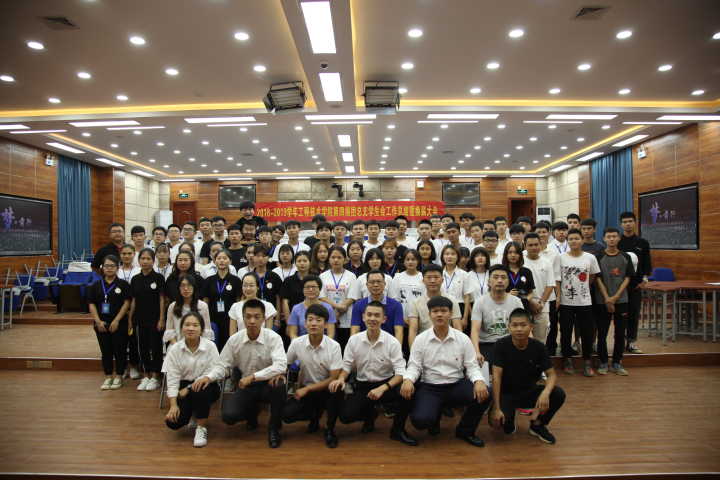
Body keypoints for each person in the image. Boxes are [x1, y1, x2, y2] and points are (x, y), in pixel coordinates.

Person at [401, 296, 491, 447]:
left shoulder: (462, 338)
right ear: (429, 314)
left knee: (485, 393)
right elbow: (414, 366)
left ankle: (465, 431)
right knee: (421, 421)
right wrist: (408, 379)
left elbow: (471, 366)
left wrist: (479, 381)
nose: (439, 314)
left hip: (456, 384)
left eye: (443, 311)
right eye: (435, 311)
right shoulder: (421, 339)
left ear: (450, 313)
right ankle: (434, 416)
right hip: (430, 387)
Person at [330, 301, 417, 446]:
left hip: (387, 384)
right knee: (345, 417)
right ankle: (369, 415)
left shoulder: (392, 342)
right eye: (369, 315)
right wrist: (341, 379)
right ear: (363, 317)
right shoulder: (354, 340)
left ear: (384, 319)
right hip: (363, 385)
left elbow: (401, 373)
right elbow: (346, 366)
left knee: (407, 390)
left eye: (377, 315)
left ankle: (398, 430)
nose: (372, 318)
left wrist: (383, 388)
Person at [209, 299, 287, 448]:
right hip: (246, 385)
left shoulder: (273, 337)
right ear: (243, 318)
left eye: (257, 317)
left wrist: (253, 377)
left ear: (263, 319)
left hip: (268, 382)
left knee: (279, 385)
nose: (252, 321)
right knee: (229, 416)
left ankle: (274, 428)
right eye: (248, 317)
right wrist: (208, 377)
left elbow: (281, 365)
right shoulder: (235, 340)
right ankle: (252, 414)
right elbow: (222, 365)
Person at [490, 308, 566, 444]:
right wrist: (496, 408)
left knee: (558, 394)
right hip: (506, 393)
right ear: (509, 327)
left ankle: (537, 425)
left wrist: (545, 393)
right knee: (499, 425)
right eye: (515, 325)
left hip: (530, 391)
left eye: (523, 325)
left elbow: (552, 375)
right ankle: (509, 418)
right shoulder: (500, 345)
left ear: (531, 327)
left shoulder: (539, 347)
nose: (519, 329)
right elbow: (496, 377)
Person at [283, 304, 344, 448]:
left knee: (337, 388)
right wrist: (279, 375)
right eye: (310, 320)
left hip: (326, 389)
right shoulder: (297, 343)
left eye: (318, 320)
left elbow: (333, 377)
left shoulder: (334, 346)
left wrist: (308, 389)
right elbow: (285, 364)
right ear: (305, 323)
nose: (314, 323)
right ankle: (314, 417)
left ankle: (330, 429)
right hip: (306, 389)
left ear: (326, 324)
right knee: (286, 415)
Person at [163, 312, 221, 448]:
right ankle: (194, 413)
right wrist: (173, 405)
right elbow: (172, 379)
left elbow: (217, 371)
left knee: (199, 390)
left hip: (207, 385)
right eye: (187, 325)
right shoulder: (175, 349)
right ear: (181, 328)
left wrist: (189, 388)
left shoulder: (210, 346)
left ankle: (201, 428)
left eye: (195, 325)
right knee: (173, 422)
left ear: (201, 329)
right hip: (183, 386)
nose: (191, 328)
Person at [557, 228, 601, 376]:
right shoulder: (561, 257)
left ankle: (587, 362)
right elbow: (558, 279)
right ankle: (567, 360)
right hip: (566, 302)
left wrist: (584, 287)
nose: (573, 241)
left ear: (582, 240)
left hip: (585, 302)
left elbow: (593, 276)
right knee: (565, 332)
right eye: (571, 239)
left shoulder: (590, 258)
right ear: (567, 241)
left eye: (576, 238)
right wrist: (558, 297)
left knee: (587, 333)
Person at [87, 254, 132, 390]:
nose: (109, 268)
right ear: (102, 267)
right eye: (106, 266)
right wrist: (98, 321)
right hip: (101, 324)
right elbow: (91, 304)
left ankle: (119, 376)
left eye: (112, 266)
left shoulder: (123, 284)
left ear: (117, 267)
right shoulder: (95, 286)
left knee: (120, 350)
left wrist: (117, 320)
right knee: (105, 351)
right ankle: (108, 376)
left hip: (119, 323)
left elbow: (127, 303)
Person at [594, 227, 634, 375]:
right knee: (602, 333)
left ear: (619, 238)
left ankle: (617, 362)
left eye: (614, 236)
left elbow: (627, 278)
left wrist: (616, 297)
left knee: (620, 333)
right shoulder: (598, 257)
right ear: (604, 238)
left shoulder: (626, 256)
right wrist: (607, 298)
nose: (611, 239)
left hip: (621, 300)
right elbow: (597, 278)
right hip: (602, 301)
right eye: (608, 236)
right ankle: (603, 362)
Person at [470, 265, 524, 366]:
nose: (499, 280)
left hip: (510, 343)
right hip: (486, 344)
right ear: (489, 282)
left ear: (508, 282)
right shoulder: (480, 302)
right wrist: (476, 352)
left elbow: (523, 326)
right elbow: (475, 330)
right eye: (495, 277)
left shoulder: (516, 301)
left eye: (503, 277)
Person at [129, 248, 166, 391]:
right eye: (142, 258)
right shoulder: (135, 279)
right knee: (142, 348)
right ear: (138, 261)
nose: (145, 261)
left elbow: (162, 299)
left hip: (155, 319)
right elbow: (133, 301)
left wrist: (161, 318)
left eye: (148, 258)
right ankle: (146, 375)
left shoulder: (159, 278)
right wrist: (130, 319)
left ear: (153, 260)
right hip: (139, 319)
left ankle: (156, 376)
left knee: (155, 348)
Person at [618, 211, 652, 354]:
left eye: (630, 221)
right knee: (620, 315)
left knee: (633, 314)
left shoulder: (642, 243)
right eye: (625, 222)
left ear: (635, 222)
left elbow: (647, 264)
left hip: (635, 285)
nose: (628, 224)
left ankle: (631, 342)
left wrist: (644, 280)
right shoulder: (617, 241)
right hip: (619, 286)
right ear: (621, 224)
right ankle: (619, 342)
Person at [407, 264, 461, 347]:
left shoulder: (452, 300)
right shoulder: (415, 303)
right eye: (429, 277)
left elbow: (457, 327)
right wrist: (413, 351)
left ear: (442, 280)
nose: (432, 281)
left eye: (436, 277)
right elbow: (413, 330)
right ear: (423, 280)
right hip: (424, 344)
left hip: (448, 343)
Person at [202, 249, 242, 351]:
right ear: (214, 261)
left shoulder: (236, 281)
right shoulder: (209, 280)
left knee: (228, 347)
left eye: (225, 258)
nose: (222, 261)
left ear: (230, 261)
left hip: (230, 319)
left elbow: (238, 302)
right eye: (219, 258)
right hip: (212, 319)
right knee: (213, 347)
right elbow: (205, 302)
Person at [533, 222, 563, 356]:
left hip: (549, 296)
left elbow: (556, 277)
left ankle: (550, 351)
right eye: (538, 232)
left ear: (549, 233)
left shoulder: (554, 254)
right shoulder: (525, 253)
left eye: (544, 232)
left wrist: (558, 296)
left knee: (551, 325)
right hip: (532, 296)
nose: (541, 234)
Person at [350, 270, 404, 344]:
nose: (375, 285)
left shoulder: (396, 305)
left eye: (379, 282)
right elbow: (355, 330)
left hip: (388, 345)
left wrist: (397, 348)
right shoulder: (358, 305)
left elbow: (398, 331)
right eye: (372, 282)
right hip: (364, 344)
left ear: (385, 284)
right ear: (367, 285)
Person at [319, 247, 356, 348]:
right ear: (329, 259)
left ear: (345, 259)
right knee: (329, 347)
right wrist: (336, 309)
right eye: (333, 257)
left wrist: (339, 312)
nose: (336, 260)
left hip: (347, 319)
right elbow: (321, 297)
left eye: (339, 257)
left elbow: (352, 297)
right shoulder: (323, 276)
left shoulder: (351, 276)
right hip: (328, 318)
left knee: (345, 347)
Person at [522, 233, 556, 343]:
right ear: (525, 246)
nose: (534, 247)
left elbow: (550, 284)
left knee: (540, 341)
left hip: (542, 307)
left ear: (540, 245)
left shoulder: (546, 262)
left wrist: (541, 303)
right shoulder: (520, 261)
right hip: (523, 304)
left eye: (536, 244)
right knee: (522, 338)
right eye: (530, 245)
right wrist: (530, 301)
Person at [163, 275, 213, 344]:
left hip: (198, 345)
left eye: (189, 285)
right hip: (177, 345)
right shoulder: (172, 306)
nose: (186, 288)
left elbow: (206, 331)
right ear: (178, 288)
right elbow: (169, 331)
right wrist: (178, 347)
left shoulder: (203, 306)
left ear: (194, 288)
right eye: (182, 285)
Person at [117, 243, 141, 379]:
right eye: (124, 254)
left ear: (134, 255)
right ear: (120, 255)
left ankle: (133, 366)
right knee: (120, 341)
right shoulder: (116, 270)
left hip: (135, 309)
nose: (126, 256)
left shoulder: (138, 270)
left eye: (129, 253)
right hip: (118, 310)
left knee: (133, 340)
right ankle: (122, 367)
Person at [288, 275, 336, 339]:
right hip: (302, 343)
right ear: (303, 290)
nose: (310, 290)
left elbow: (331, 334)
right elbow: (292, 334)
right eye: (307, 287)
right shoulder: (296, 309)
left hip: (323, 343)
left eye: (314, 287)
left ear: (319, 289)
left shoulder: (328, 308)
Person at [439, 245, 474, 331]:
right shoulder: (438, 274)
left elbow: (467, 297)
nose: (449, 256)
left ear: (458, 257)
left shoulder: (464, 274)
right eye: (447, 254)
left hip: (459, 307)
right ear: (442, 257)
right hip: (441, 308)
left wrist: (465, 318)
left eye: (453, 254)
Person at [279, 251, 312, 338]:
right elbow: (285, 302)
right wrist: (289, 323)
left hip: (312, 317)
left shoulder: (315, 279)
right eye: (299, 261)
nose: (302, 263)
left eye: (305, 261)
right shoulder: (289, 280)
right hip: (294, 318)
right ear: (295, 263)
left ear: (310, 262)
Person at [501, 242, 536, 312]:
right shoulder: (501, 271)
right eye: (510, 252)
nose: (513, 255)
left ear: (520, 255)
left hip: (523, 307)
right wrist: (507, 294)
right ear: (506, 254)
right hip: (505, 306)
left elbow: (531, 292)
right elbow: (494, 291)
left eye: (516, 252)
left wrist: (526, 299)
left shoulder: (526, 271)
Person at [251, 246, 283, 315]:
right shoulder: (249, 277)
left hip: (271, 314)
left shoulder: (274, 277)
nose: (260, 258)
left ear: (268, 258)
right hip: (253, 313)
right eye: (258, 256)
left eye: (263, 256)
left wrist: (277, 317)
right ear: (253, 257)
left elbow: (278, 298)